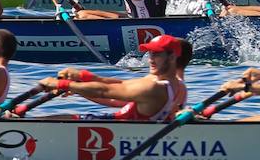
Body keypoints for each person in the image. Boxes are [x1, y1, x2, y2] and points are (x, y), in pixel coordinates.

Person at [42, 34, 188, 122]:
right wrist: (81, 77)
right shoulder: (178, 85)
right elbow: (120, 84)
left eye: (157, 54)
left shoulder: (154, 88)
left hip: (118, 130)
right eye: (150, 54)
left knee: (53, 120)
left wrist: (61, 84)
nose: (150, 59)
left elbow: (105, 91)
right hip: (121, 125)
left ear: (172, 57)